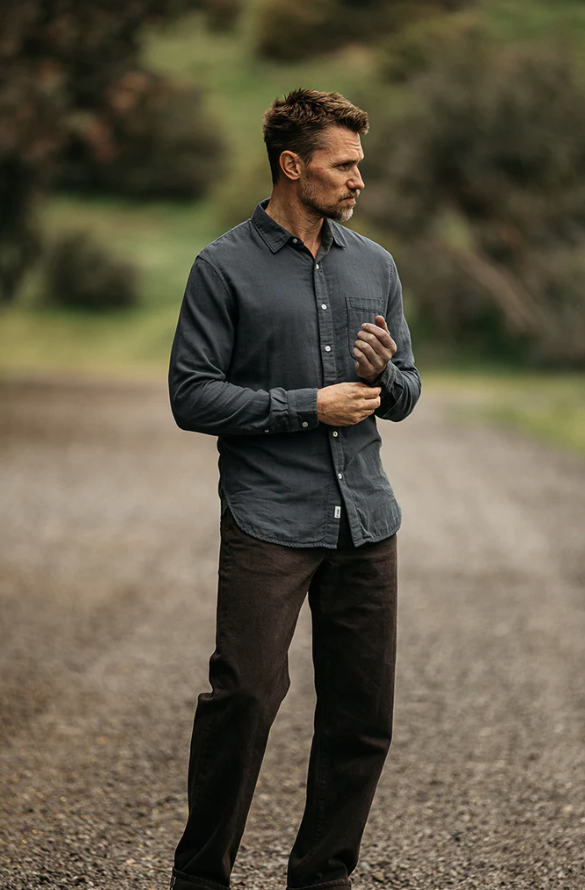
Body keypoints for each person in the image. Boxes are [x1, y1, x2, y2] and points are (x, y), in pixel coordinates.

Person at [167, 88, 421, 890]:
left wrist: (385, 377)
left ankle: (322, 878)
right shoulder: (221, 267)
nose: (357, 180)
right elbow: (192, 394)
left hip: (364, 520)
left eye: (359, 165)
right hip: (269, 519)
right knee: (242, 698)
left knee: (359, 719)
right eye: (342, 165)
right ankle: (200, 878)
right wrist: (305, 404)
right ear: (291, 165)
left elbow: (408, 389)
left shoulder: (375, 265)